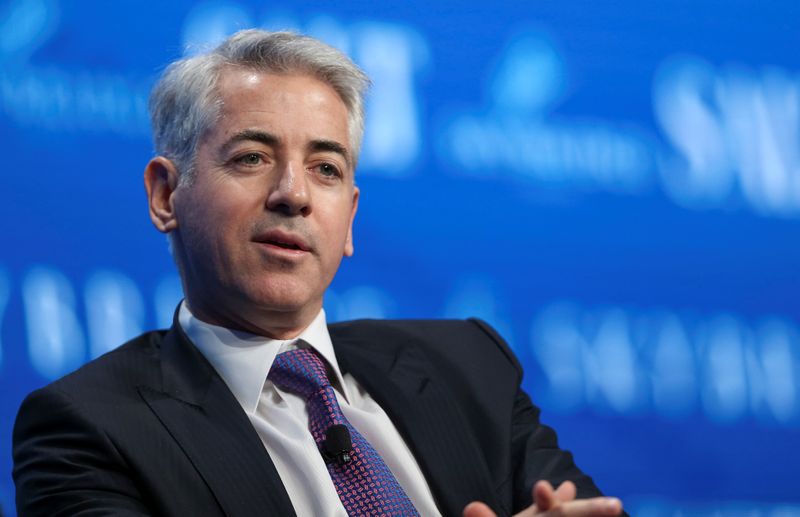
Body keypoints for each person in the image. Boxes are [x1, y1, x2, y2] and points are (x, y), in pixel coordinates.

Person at [13, 29, 625, 517]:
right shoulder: (89, 429)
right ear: (166, 195)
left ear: (350, 218)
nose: (293, 194)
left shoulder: (468, 367)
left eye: (326, 168)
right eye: (252, 158)